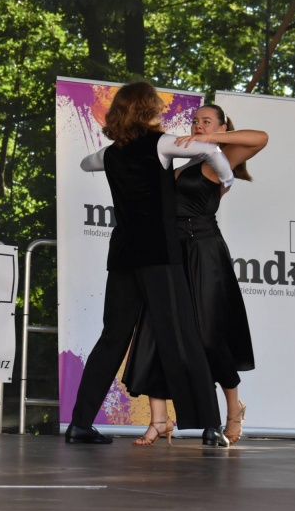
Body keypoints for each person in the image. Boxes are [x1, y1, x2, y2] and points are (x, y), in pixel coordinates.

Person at [65, 81, 234, 447]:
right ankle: (209, 425)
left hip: (124, 256)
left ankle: (79, 424)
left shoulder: (110, 154)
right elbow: (210, 150)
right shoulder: (161, 144)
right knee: (183, 335)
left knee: (112, 339)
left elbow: (85, 162)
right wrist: (227, 179)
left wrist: (111, 155)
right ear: (147, 109)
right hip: (158, 253)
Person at [123, 105, 268, 445]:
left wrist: (211, 138)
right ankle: (159, 420)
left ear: (222, 127)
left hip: (204, 251)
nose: (198, 125)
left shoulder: (222, 157)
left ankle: (232, 410)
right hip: (171, 252)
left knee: (207, 336)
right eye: (195, 121)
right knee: (159, 329)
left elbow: (261, 138)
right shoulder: (184, 162)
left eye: (207, 121)